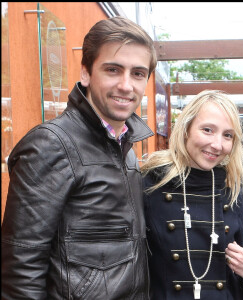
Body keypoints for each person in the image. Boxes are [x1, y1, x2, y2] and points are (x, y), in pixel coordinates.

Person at [1, 16, 157, 299]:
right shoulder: (50, 145)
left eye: (137, 73)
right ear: (85, 73)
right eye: (113, 69)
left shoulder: (127, 148)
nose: (126, 85)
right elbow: (21, 269)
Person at [141, 90, 243, 300]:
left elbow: (237, 277)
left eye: (227, 135)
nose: (218, 145)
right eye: (208, 130)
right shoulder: (151, 184)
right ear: (186, 130)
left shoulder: (230, 189)